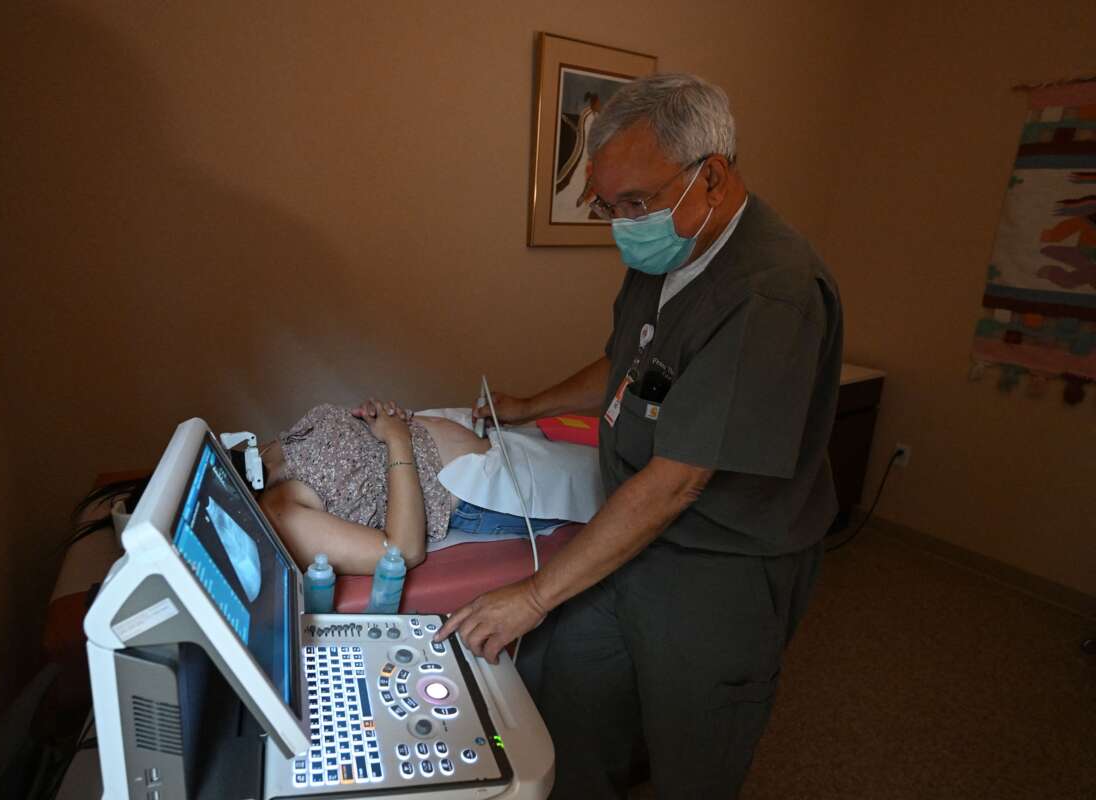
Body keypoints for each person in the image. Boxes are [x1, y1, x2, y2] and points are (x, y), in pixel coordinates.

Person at [435, 73, 843, 799]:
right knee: (573, 692)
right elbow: (632, 365)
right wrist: (529, 405)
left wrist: (532, 595)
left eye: (635, 203)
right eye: (607, 205)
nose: (621, 223)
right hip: (638, 536)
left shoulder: (769, 293)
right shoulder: (671, 254)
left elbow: (678, 480)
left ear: (710, 177)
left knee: (694, 746)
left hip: (723, 560)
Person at [257, 399, 565, 575]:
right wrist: (396, 438)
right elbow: (402, 551)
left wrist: (377, 417)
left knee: (598, 456)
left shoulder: (259, 456)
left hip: (476, 433)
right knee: (601, 487)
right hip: (478, 491)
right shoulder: (282, 515)